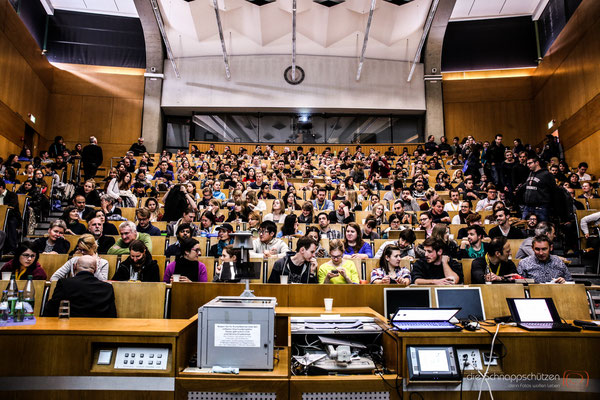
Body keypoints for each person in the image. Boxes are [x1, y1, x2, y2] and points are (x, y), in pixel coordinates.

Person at [44, 255, 116, 318]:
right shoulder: (107, 288)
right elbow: (112, 314)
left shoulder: (64, 283)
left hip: (69, 328)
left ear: (74, 266)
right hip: (98, 329)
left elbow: (51, 308)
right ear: (96, 269)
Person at [520, 156, 556, 221]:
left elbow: (554, 191)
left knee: (542, 228)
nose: (528, 165)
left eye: (530, 163)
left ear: (537, 163)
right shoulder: (530, 173)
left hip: (541, 207)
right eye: (527, 163)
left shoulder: (546, 174)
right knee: (524, 226)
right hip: (528, 206)